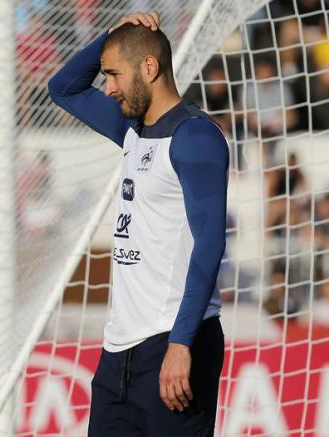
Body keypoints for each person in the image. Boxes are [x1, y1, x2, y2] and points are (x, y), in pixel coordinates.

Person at [49, 12, 228, 436]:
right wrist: (111, 37)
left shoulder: (195, 136)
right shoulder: (131, 128)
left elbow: (209, 245)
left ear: (149, 68)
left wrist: (181, 344)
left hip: (175, 341)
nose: (107, 87)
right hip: (119, 353)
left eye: (113, 74)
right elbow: (63, 87)